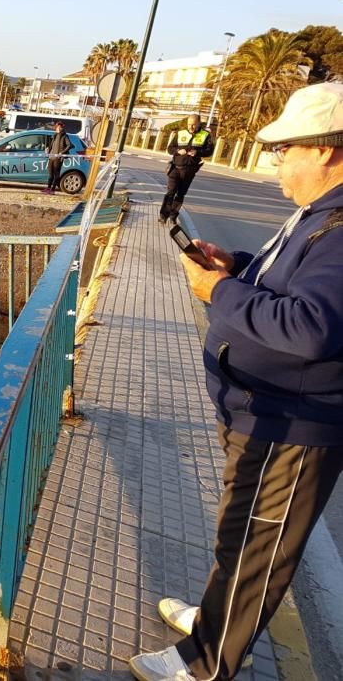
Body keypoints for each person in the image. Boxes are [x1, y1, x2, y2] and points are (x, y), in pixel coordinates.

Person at [130, 82, 343, 681]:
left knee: (258, 550)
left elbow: (313, 327)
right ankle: (217, 622)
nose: (277, 160)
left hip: (294, 424)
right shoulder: (319, 214)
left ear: (325, 151)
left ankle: (206, 665)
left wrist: (218, 291)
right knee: (240, 533)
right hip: (261, 410)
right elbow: (291, 289)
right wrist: (239, 269)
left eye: (286, 149)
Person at [159, 114, 213, 223]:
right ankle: (163, 216)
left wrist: (197, 152)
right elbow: (170, 148)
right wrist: (178, 151)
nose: (191, 127)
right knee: (170, 192)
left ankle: (173, 216)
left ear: (199, 123)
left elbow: (209, 151)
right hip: (175, 168)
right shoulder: (181, 133)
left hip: (189, 170)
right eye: (189, 124)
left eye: (193, 125)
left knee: (180, 194)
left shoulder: (205, 135)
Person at [43, 121, 72, 194]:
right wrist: (48, 150)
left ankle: (53, 190)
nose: (56, 128)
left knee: (56, 174)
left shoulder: (64, 136)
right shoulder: (55, 135)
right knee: (50, 174)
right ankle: (48, 188)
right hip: (51, 157)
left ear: (61, 127)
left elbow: (69, 145)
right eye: (56, 127)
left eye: (58, 127)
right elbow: (52, 145)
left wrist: (61, 153)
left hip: (58, 158)